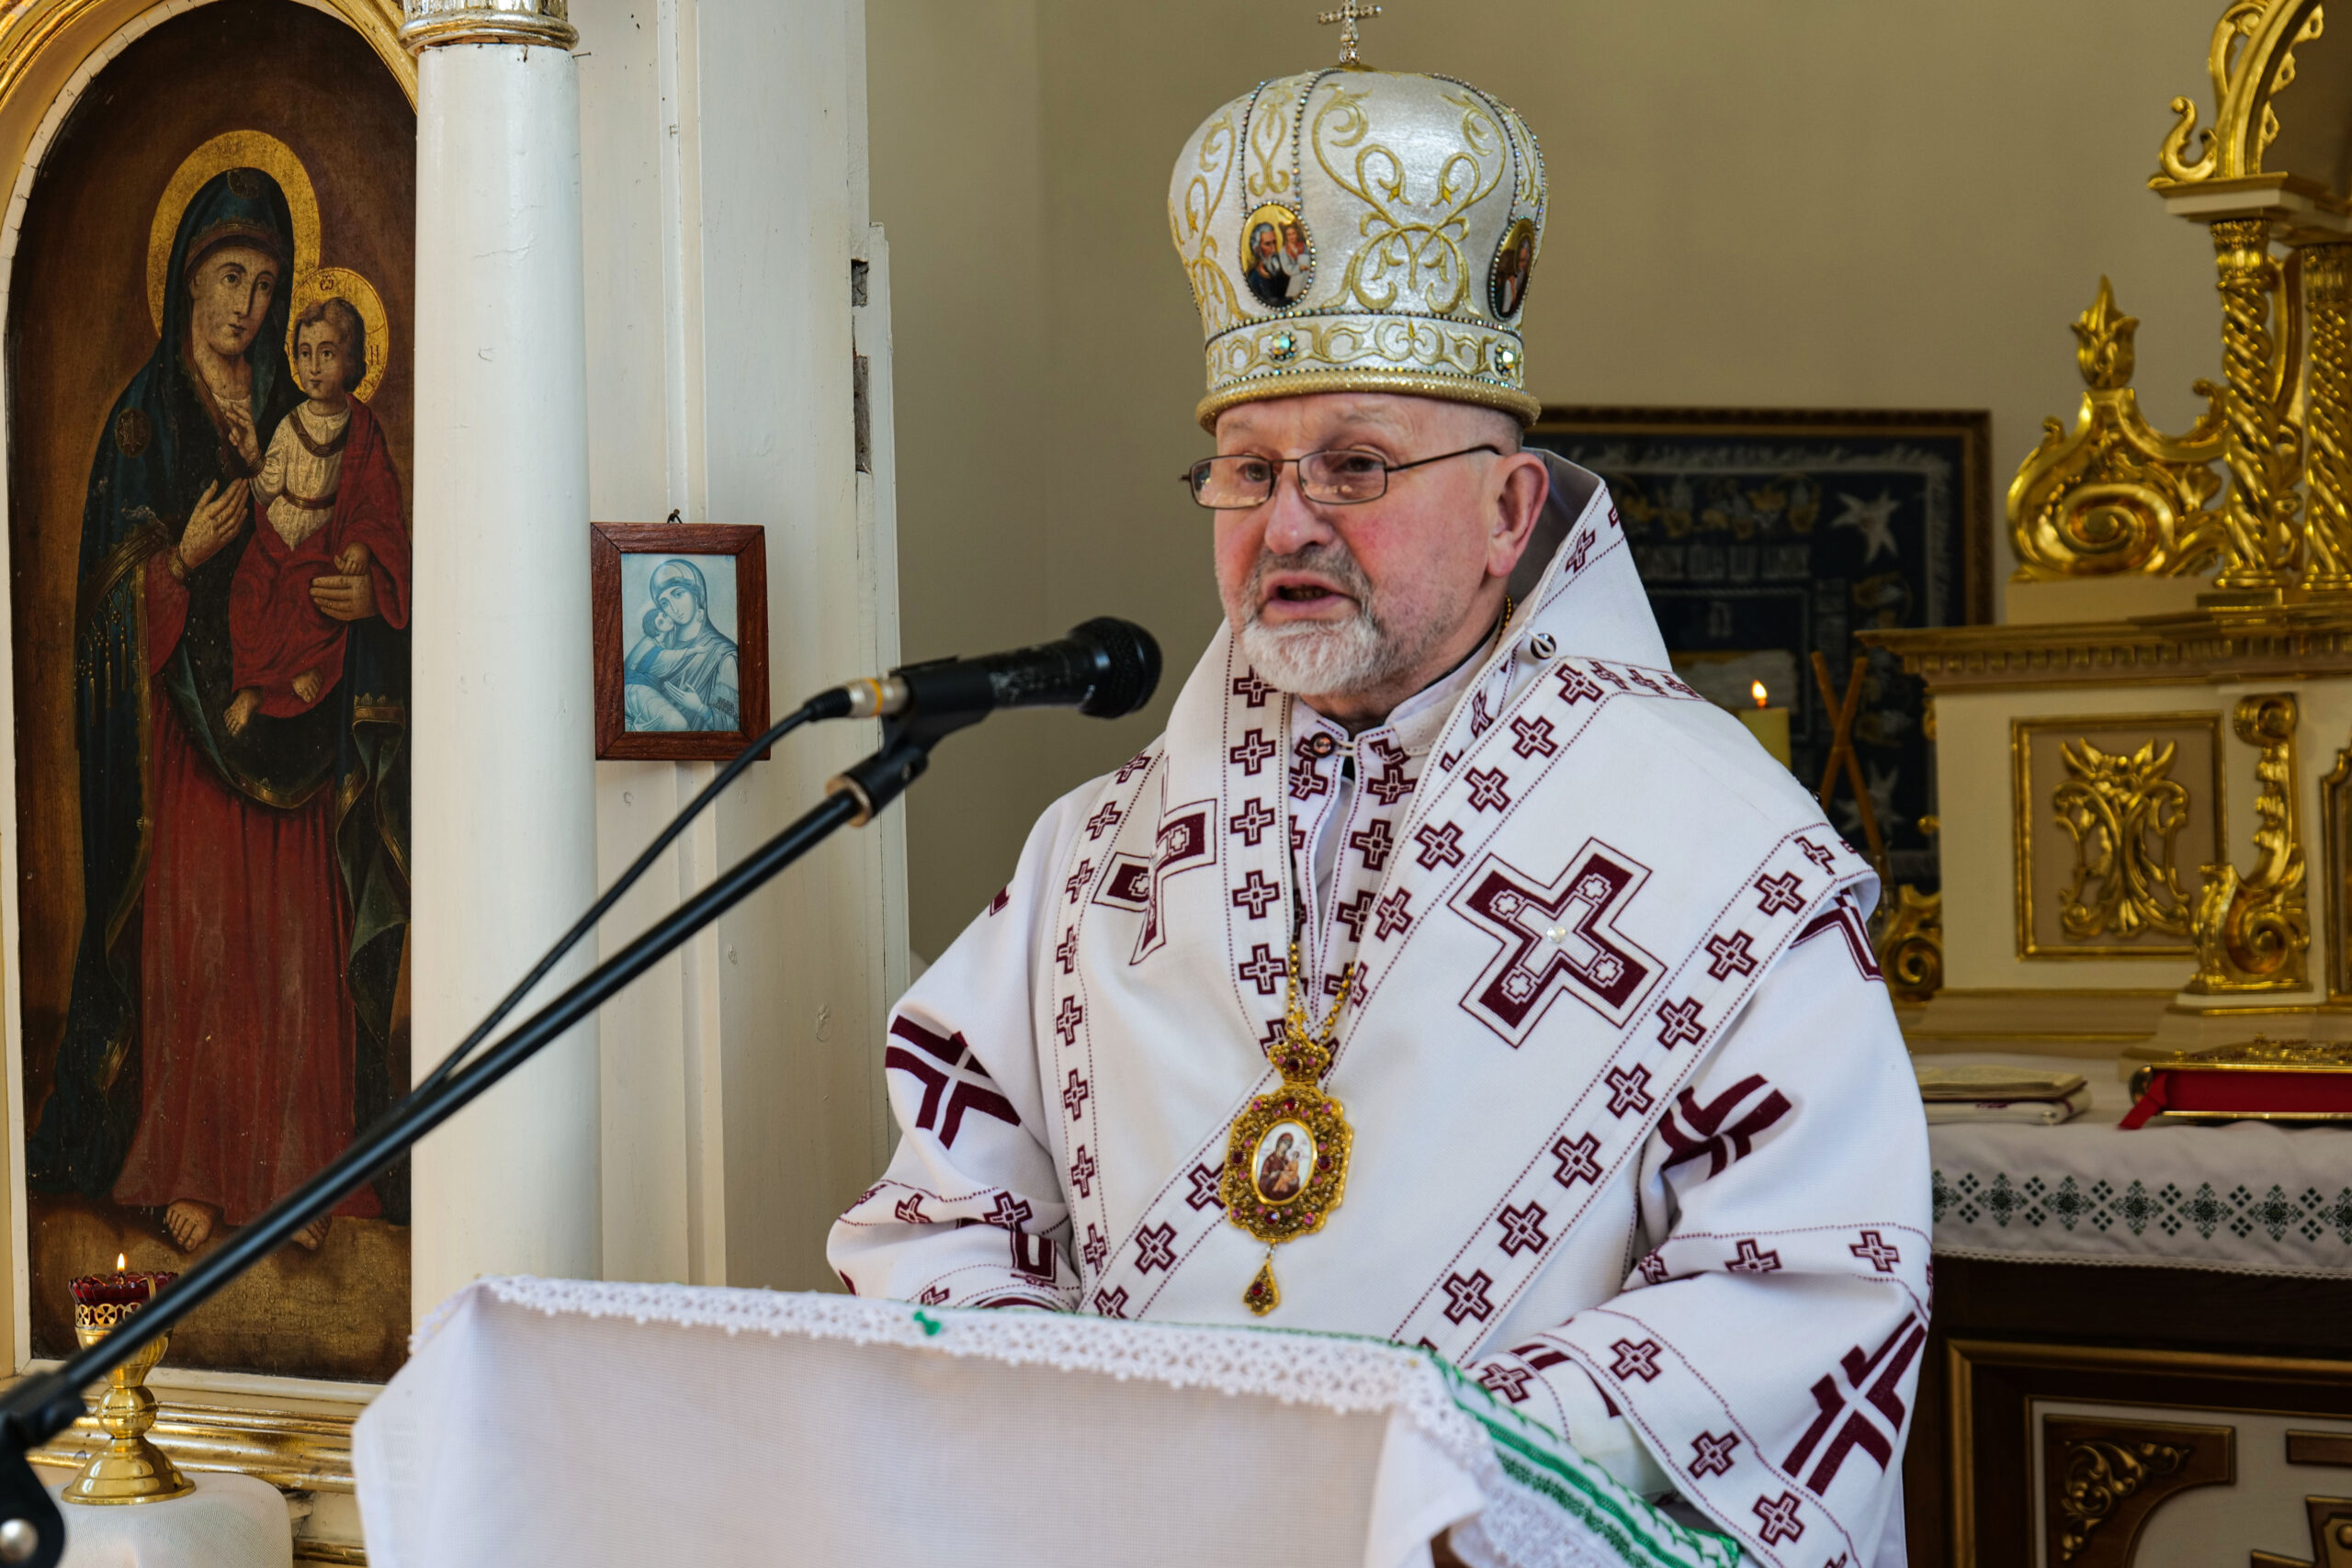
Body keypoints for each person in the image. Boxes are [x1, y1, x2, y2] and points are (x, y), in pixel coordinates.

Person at [830, 53, 1926, 1568]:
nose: (1286, 521)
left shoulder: (1724, 859)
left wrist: (1426, 1473)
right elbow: (940, 1211)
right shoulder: (1092, 855)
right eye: (1247, 469)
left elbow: (1809, 1280)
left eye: (1355, 465)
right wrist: (1057, 1447)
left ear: (1510, 508)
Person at [33, 167, 411, 1257]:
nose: (248, 307)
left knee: (294, 946)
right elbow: (98, 618)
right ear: (187, 282)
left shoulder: (308, 409)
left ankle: (297, 1177)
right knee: (203, 950)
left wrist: (367, 588)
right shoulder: (144, 426)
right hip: (191, 741)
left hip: (298, 725)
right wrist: (179, 564)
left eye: (267, 285)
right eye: (230, 279)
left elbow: (371, 524)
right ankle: (194, 1167)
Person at [227, 296, 409, 736]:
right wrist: (253, 457)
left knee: (317, 604)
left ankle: (302, 672)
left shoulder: (362, 427)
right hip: (281, 532)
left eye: (326, 354)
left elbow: (376, 501)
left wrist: (362, 544)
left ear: (349, 361)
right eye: (304, 354)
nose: (313, 367)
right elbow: (268, 486)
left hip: (325, 538)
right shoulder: (290, 425)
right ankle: (252, 687)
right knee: (248, 595)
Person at [623, 558, 740, 732]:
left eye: (678, 594)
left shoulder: (722, 656)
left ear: (697, 594)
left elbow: (731, 723)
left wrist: (701, 708)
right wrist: (633, 729)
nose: (673, 607)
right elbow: (625, 699)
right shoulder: (657, 648)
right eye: (664, 603)